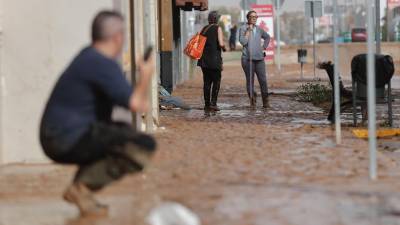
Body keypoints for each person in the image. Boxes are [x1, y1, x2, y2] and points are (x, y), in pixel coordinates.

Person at [40, 11, 157, 217]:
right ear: (118, 37)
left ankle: (82, 195)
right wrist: (146, 75)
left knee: (121, 133)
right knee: (141, 145)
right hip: (65, 138)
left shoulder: (89, 56)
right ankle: (81, 187)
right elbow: (137, 104)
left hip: (58, 136)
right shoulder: (101, 63)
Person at [239, 10, 271, 108]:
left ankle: (265, 101)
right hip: (247, 59)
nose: (254, 18)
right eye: (252, 17)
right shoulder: (243, 28)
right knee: (250, 81)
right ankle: (252, 100)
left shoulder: (259, 29)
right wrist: (248, 32)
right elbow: (243, 42)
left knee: (263, 81)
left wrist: (264, 47)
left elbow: (267, 37)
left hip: (260, 59)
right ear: (248, 18)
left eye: (256, 17)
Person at [197, 11, 226, 112]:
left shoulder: (203, 29)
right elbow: (221, 44)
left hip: (203, 60)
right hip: (214, 60)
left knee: (207, 82)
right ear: (216, 19)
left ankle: (206, 105)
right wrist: (225, 48)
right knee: (216, 81)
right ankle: (213, 104)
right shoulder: (217, 28)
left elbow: (199, 43)